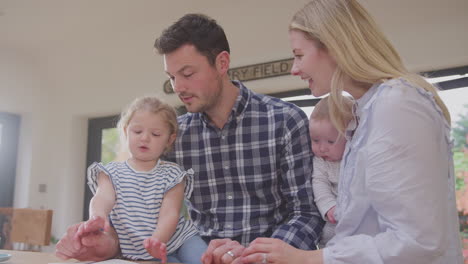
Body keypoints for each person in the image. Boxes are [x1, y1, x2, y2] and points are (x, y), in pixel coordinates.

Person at [55, 13, 324, 264]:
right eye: (172, 77)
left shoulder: (285, 120)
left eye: (187, 74)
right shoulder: (173, 137)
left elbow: (306, 214)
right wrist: (105, 242)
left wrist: (259, 255)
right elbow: (135, 212)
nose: (178, 87)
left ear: (222, 63)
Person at [240, 0, 464, 263]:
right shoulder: (368, 110)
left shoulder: (397, 106)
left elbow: (417, 241)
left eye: (299, 55)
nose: (294, 69)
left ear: (334, 48)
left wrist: (308, 258)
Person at [74, 96, 207, 264]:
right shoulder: (110, 172)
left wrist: (158, 239)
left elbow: (170, 213)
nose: (145, 138)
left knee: (201, 260)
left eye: (155, 134)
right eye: (137, 131)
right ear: (125, 131)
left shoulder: (173, 173)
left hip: (181, 241)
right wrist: (97, 215)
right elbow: (103, 197)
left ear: (169, 139)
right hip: (139, 250)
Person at [309, 96, 353, 248]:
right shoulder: (320, 161)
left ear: (350, 137)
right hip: (333, 221)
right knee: (329, 240)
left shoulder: (356, 157)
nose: (322, 148)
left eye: (330, 141)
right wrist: (328, 206)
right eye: (315, 140)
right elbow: (319, 183)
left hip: (357, 218)